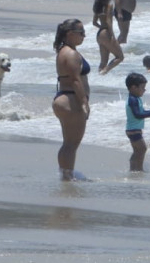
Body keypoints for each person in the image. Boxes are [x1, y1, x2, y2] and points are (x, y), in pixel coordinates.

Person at [52, 18, 90, 181]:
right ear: (70, 34)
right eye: (81, 33)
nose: (84, 36)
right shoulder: (71, 53)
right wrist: (84, 103)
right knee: (72, 144)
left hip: (63, 98)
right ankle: (67, 176)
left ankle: (65, 174)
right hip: (71, 98)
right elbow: (76, 80)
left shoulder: (62, 51)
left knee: (68, 142)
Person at [125, 72, 150, 172]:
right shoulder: (133, 100)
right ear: (133, 87)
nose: (144, 90)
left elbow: (141, 111)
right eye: (142, 87)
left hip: (133, 129)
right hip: (133, 130)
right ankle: (138, 169)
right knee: (142, 149)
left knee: (137, 150)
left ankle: (134, 168)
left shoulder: (136, 99)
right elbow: (137, 114)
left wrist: (149, 111)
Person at [91, 0, 124, 75]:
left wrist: (101, 28)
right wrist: (112, 35)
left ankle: (98, 79)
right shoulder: (109, 6)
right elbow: (109, 21)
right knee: (120, 57)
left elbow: (94, 22)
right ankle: (104, 72)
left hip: (100, 34)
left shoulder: (97, 6)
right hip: (106, 33)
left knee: (103, 62)